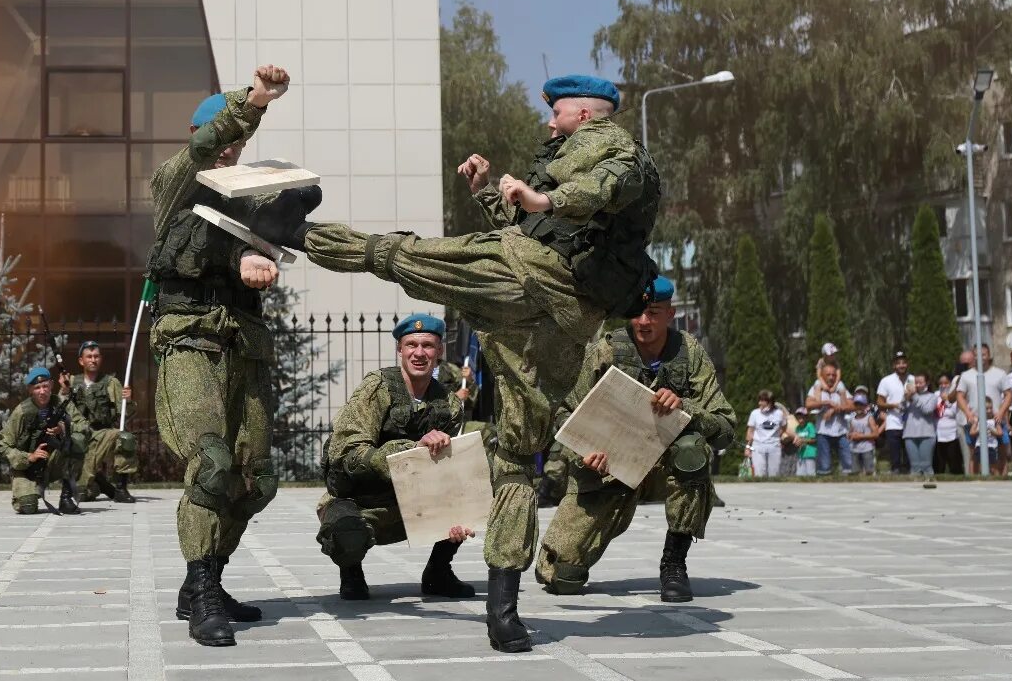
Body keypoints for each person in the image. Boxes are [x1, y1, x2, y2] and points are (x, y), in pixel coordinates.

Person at [247, 74, 663, 653]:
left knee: (404, 255)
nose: (550, 124)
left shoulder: (616, 147)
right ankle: (504, 611)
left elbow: (602, 186)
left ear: (587, 116)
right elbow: (540, 228)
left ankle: (289, 230)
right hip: (551, 317)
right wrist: (491, 193)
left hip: (532, 281)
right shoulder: (583, 169)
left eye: (558, 114)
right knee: (517, 459)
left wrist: (547, 198)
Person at [144, 66, 305, 647]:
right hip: (189, 339)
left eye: (238, 143)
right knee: (211, 461)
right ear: (199, 134)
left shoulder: (248, 206)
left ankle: (208, 577)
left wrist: (261, 263)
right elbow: (207, 145)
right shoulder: (174, 185)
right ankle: (199, 593)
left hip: (245, 343)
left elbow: (274, 248)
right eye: (222, 138)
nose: (230, 150)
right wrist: (258, 99)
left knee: (254, 479)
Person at [533, 276, 735, 604]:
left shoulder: (690, 354)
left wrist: (685, 408)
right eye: (638, 312)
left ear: (671, 314)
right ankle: (567, 562)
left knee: (692, 452)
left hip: (663, 468)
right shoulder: (605, 352)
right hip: (607, 468)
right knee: (560, 578)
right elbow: (565, 414)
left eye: (653, 312)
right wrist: (584, 455)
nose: (644, 321)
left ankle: (674, 563)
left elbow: (725, 427)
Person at [316, 313, 476, 601]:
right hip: (361, 499)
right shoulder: (378, 388)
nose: (419, 353)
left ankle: (438, 571)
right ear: (399, 350)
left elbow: (448, 473)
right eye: (411, 344)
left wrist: (457, 514)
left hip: (413, 499)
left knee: (467, 499)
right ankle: (351, 571)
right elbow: (347, 453)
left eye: (427, 345)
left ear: (439, 351)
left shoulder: (449, 404)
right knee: (345, 535)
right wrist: (411, 449)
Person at [0, 366, 89, 515]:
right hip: (27, 469)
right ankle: (29, 491)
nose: (42, 391)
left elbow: (85, 427)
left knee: (77, 441)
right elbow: (2, 446)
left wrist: (64, 428)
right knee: (28, 505)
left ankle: (66, 498)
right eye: (37, 387)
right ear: (30, 390)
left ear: (51, 385)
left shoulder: (61, 403)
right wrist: (29, 457)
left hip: (52, 463)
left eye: (45, 386)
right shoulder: (22, 412)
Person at [60, 341, 138, 504]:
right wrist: (64, 391)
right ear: (81, 360)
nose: (93, 360)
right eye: (89, 356)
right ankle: (99, 483)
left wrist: (128, 401)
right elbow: (61, 410)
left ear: (100, 359)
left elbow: (126, 413)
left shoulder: (111, 383)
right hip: (80, 438)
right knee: (81, 495)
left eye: (96, 356)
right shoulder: (72, 382)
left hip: (103, 435)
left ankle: (121, 488)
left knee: (124, 438)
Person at [957, 344, 1011, 475]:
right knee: (974, 456)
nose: (980, 358)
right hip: (974, 422)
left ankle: (1002, 481)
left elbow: (1009, 394)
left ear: (989, 355)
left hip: (996, 422)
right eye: (976, 355)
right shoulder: (966, 375)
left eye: (983, 354)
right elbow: (960, 396)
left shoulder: (1000, 373)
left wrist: (1002, 412)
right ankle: (974, 481)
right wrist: (969, 414)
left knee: (1001, 455)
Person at [806, 363, 853, 474]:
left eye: (833, 375)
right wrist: (825, 402)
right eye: (828, 375)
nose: (831, 377)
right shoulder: (816, 389)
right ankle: (823, 485)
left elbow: (852, 405)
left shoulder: (841, 388)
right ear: (822, 376)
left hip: (841, 431)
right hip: (823, 431)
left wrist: (834, 409)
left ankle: (850, 482)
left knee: (848, 463)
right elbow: (808, 404)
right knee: (824, 465)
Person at [876, 350, 911, 474]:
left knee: (908, 455)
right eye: (898, 363)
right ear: (894, 365)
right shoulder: (886, 381)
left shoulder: (913, 379)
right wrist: (892, 405)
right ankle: (895, 473)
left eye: (904, 363)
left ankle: (908, 473)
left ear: (907, 364)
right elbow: (879, 403)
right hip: (893, 423)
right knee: (895, 456)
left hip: (910, 423)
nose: (901, 365)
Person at [903, 374, 940, 479]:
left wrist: (914, 396)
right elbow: (900, 409)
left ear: (927, 383)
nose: (918, 385)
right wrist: (905, 398)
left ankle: (930, 484)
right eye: (916, 382)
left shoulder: (932, 397)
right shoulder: (909, 396)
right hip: (909, 434)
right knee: (915, 467)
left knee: (926, 465)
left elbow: (927, 410)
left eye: (920, 382)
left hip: (927, 434)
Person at [744, 390, 784, 477]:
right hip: (758, 447)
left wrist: (780, 439)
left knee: (774, 474)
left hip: (774, 446)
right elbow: (750, 432)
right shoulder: (755, 413)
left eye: (762, 401)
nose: (759, 403)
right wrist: (747, 448)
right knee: (759, 474)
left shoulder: (779, 413)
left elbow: (784, 428)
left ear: (770, 402)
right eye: (759, 400)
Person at [934, 373, 964, 475]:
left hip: (952, 434)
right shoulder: (935, 395)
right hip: (939, 434)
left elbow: (956, 413)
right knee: (939, 463)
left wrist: (947, 400)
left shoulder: (955, 397)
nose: (943, 385)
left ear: (950, 383)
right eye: (941, 383)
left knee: (954, 462)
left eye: (946, 383)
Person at [847, 388, 880, 476]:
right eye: (856, 404)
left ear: (866, 406)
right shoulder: (852, 419)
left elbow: (875, 434)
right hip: (854, 449)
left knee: (869, 471)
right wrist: (850, 435)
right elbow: (849, 433)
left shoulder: (869, 418)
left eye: (861, 405)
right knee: (856, 472)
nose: (858, 407)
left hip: (867, 448)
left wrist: (861, 436)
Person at [792, 407, 817, 476]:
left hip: (810, 453)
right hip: (801, 454)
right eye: (798, 418)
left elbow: (814, 439)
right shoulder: (797, 428)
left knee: (810, 473)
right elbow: (797, 438)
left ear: (806, 417)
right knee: (800, 474)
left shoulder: (810, 425)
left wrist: (802, 440)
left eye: (802, 417)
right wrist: (796, 442)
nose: (800, 420)